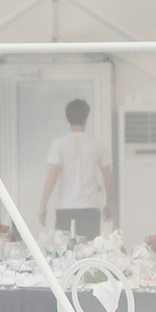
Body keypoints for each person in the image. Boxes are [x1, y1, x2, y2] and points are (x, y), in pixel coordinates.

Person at [37, 98, 114, 238]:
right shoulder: (97, 144)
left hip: (66, 209)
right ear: (86, 118)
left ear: (67, 118)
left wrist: (43, 204)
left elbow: (52, 177)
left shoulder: (59, 144)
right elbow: (108, 177)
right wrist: (109, 203)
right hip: (90, 208)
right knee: (89, 252)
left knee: (65, 252)